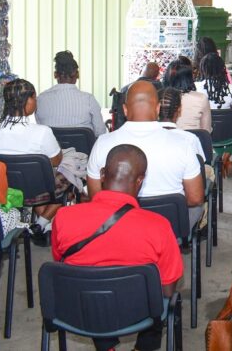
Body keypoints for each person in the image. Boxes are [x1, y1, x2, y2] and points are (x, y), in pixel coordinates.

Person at [52, 145, 184, 351]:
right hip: (139, 312)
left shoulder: (63, 217)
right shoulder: (158, 225)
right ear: (140, 180)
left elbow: (62, 266)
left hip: (81, 311)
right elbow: (167, 289)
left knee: (87, 280)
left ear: (102, 174)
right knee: (158, 295)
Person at [86, 82, 206, 226]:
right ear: (157, 108)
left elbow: (95, 197)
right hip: (170, 228)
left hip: (119, 226)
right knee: (199, 206)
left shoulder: (102, 143)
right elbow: (195, 198)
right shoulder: (183, 144)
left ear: (124, 109)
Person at [0, 79, 66, 240]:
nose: (36, 101)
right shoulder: (42, 132)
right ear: (28, 101)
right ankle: (41, 223)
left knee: (35, 177)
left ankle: (42, 225)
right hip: (39, 191)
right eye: (34, 98)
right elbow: (55, 161)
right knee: (70, 173)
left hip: (8, 190)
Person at [35, 51, 107, 137]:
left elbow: (40, 129)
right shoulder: (88, 99)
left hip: (51, 149)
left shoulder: (40, 99)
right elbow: (100, 132)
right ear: (77, 74)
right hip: (83, 150)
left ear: (55, 75)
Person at [164, 62, 211, 132]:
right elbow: (207, 130)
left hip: (167, 141)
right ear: (190, 78)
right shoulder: (201, 98)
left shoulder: (160, 97)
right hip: (196, 139)